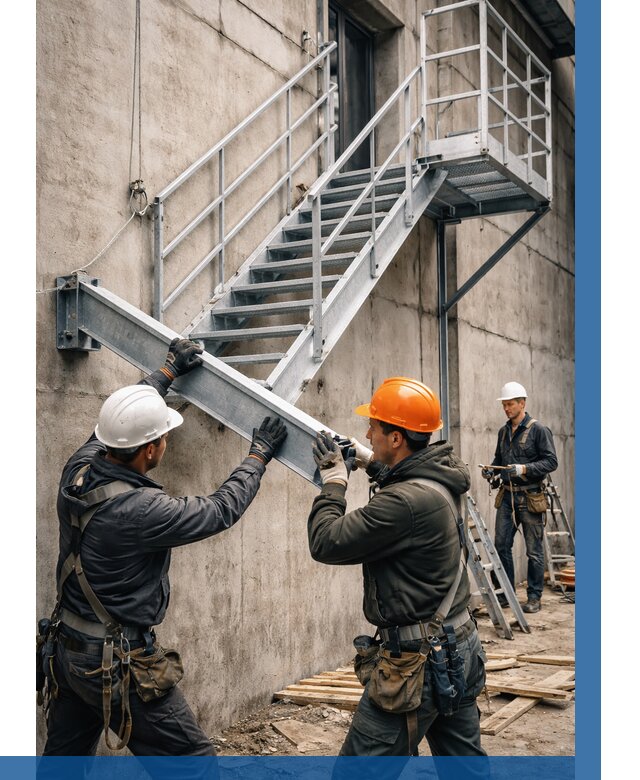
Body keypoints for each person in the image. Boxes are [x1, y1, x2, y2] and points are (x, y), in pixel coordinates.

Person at [41, 338, 288, 756]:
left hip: (67, 655)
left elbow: (117, 426)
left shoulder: (78, 470)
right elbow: (218, 510)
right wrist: (257, 457)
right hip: (114, 665)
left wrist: (168, 371)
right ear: (151, 449)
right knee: (194, 763)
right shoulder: (142, 509)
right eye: (164, 437)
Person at [307, 377, 487, 758]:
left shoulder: (402, 503)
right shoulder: (443, 477)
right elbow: (411, 478)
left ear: (396, 439)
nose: (367, 432)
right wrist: (366, 459)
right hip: (460, 644)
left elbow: (326, 542)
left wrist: (334, 482)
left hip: (415, 665)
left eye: (374, 427)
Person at [481, 381, 558, 614]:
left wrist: (524, 469)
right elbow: (499, 459)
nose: (506, 409)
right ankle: (506, 594)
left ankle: (534, 597)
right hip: (507, 497)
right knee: (501, 546)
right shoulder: (504, 432)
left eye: (510, 404)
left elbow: (551, 462)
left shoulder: (538, 430)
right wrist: (491, 469)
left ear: (522, 403)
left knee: (533, 551)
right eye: (504, 405)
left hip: (530, 497)